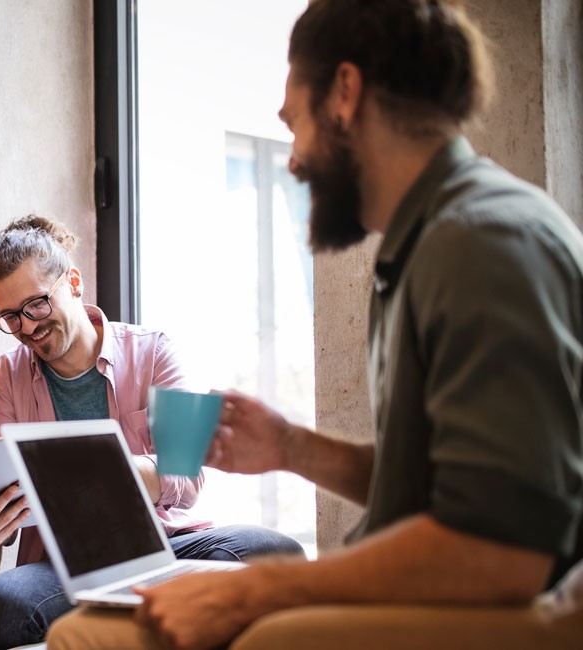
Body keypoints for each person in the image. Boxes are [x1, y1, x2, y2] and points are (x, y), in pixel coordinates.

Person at [46, 1, 583, 649]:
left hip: (521, 603)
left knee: (105, 637)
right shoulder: (430, 242)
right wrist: (294, 449)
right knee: (99, 624)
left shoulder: (481, 244)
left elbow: (503, 548)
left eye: (292, 124)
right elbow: (442, 485)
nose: (293, 160)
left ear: (345, 94)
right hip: (466, 584)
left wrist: (251, 590)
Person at [0, 215, 305, 650]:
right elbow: (10, 498)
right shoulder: (7, 375)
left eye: (37, 305)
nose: (27, 327)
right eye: (11, 317)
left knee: (274, 552)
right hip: (65, 566)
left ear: (73, 281)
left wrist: (103, 471)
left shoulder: (158, 349)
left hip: (171, 545)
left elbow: (188, 474)